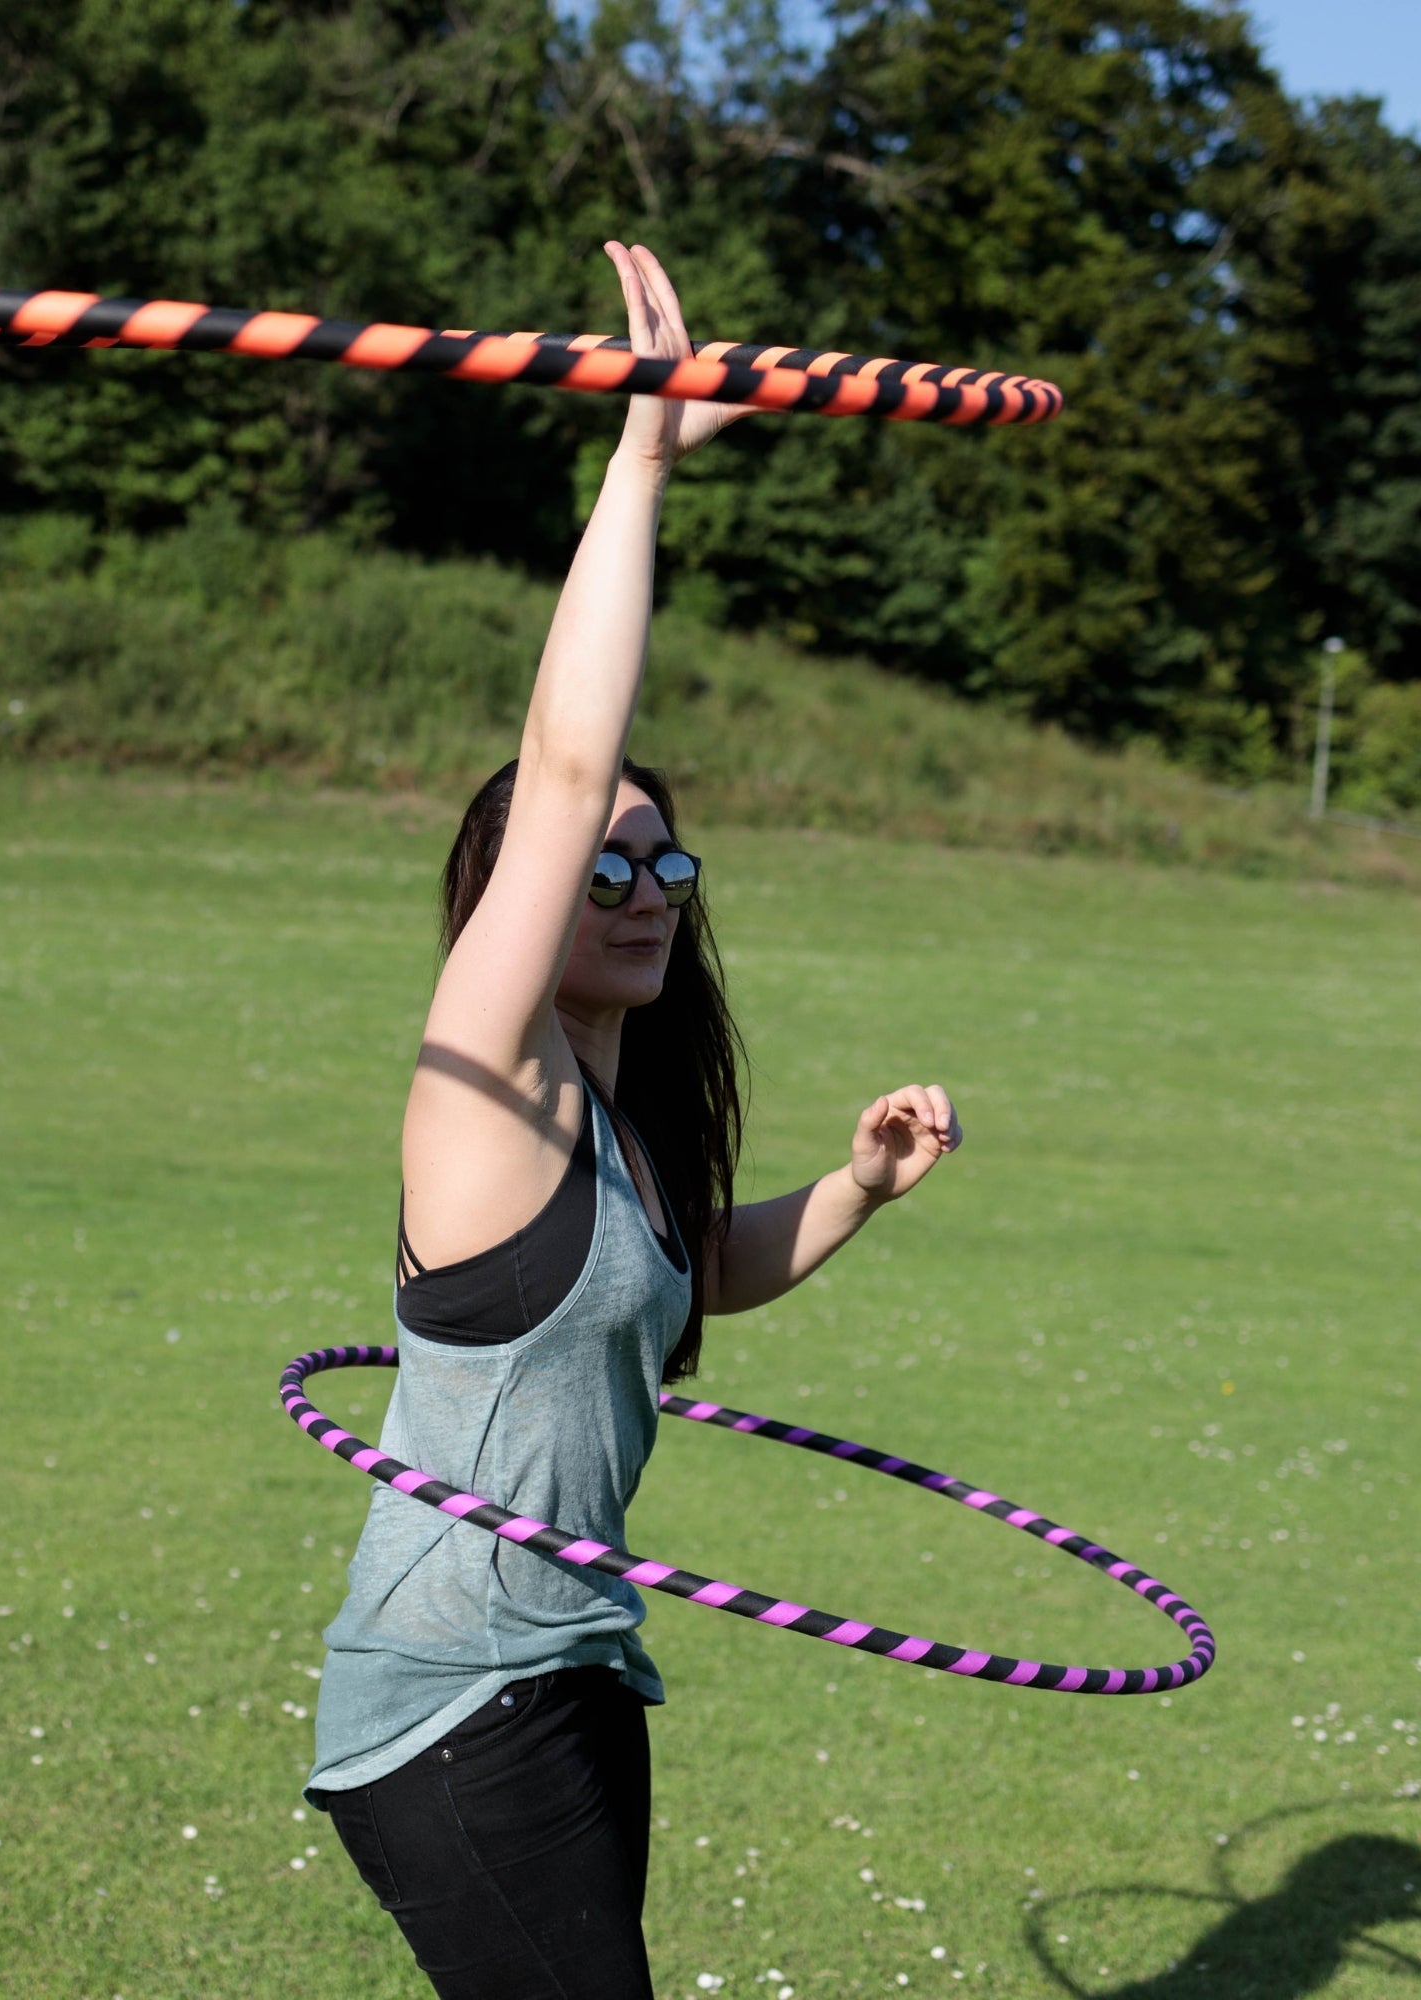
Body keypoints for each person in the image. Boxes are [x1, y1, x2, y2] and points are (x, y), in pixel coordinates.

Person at [304, 242, 962, 2000]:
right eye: (608, 864)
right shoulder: (484, 1081)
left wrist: (863, 1188)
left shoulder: (619, 1135)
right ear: (509, 898)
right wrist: (643, 459)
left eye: (673, 862)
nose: (649, 883)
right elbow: (571, 760)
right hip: (449, 1694)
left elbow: (696, 1279)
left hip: (580, 1662)